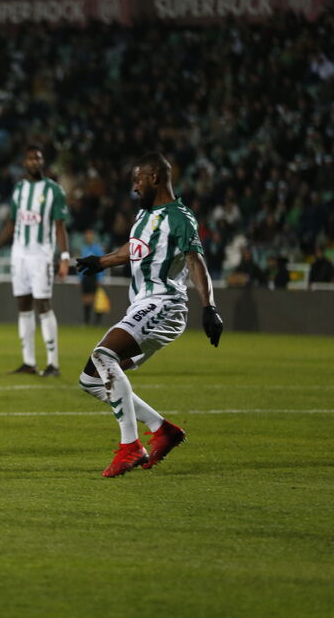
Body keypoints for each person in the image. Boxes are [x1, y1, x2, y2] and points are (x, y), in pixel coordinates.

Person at [76, 153, 223, 478]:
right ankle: (162, 429)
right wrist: (99, 262)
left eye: (138, 179)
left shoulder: (179, 217)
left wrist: (209, 305)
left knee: (104, 355)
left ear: (155, 178)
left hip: (164, 304)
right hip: (143, 305)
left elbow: (195, 259)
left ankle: (131, 446)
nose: (134, 186)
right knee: (91, 380)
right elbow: (134, 251)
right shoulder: (144, 217)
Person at [0, 146, 70, 376]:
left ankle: (53, 363)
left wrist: (65, 257)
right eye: (30, 159)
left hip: (41, 256)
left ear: (43, 162)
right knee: (23, 307)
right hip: (19, 255)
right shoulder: (19, 189)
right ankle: (29, 362)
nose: (35, 162)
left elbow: (60, 226)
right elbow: (11, 223)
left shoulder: (53, 191)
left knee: (44, 306)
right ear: (24, 163)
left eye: (38, 158)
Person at [79, 229, 105, 325]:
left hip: (94, 276)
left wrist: (100, 278)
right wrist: (80, 279)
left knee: (96, 299)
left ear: (92, 237)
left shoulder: (97, 249)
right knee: (86, 299)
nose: (88, 238)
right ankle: (87, 321)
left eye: (89, 236)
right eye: (86, 237)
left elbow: (102, 263)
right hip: (86, 277)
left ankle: (97, 322)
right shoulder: (84, 249)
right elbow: (81, 265)